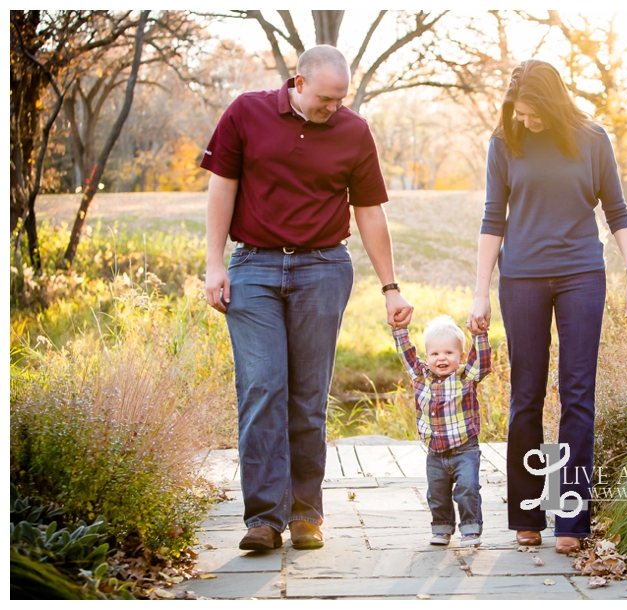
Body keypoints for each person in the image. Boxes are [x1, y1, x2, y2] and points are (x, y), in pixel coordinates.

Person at [202, 45, 413, 552]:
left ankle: (305, 514)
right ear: (298, 83)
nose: (333, 108)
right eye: (325, 98)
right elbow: (221, 187)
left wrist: (390, 286)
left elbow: (369, 212)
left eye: (341, 99)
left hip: (322, 268)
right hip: (253, 266)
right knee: (261, 389)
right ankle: (263, 519)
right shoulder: (246, 112)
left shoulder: (354, 131)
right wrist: (213, 263)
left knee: (308, 396)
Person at [467, 59, 627, 554]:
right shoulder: (504, 141)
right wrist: (481, 290)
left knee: (576, 394)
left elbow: (617, 210)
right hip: (521, 280)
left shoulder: (592, 139)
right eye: (518, 114)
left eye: (531, 113)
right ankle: (528, 513)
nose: (525, 121)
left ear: (552, 102)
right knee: (526, 396)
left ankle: (571, 517)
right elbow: (492, 218)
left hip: (582, 277)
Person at [393, 315, 491, 547]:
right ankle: (442, 528)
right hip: (435, 453)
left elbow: (483, 362)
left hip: (464, 449)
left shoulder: (466, 377)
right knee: (436, 494)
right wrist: (400, 330)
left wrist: (479, 335)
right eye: (435, 354)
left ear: (460, 356)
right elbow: (406, 355)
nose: (442, 358)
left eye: (449, 353)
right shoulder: (421, 377)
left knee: (467, 489)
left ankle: (470, 529)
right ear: (427, 358)